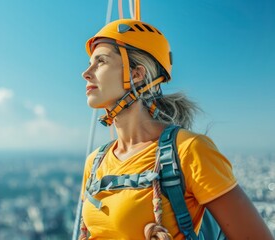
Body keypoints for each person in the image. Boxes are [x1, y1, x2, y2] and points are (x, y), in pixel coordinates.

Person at [79, 18, 273, 240]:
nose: (86, 72)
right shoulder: (95, 162)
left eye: (100, 61)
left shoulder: (189, 150)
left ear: (136, 74)